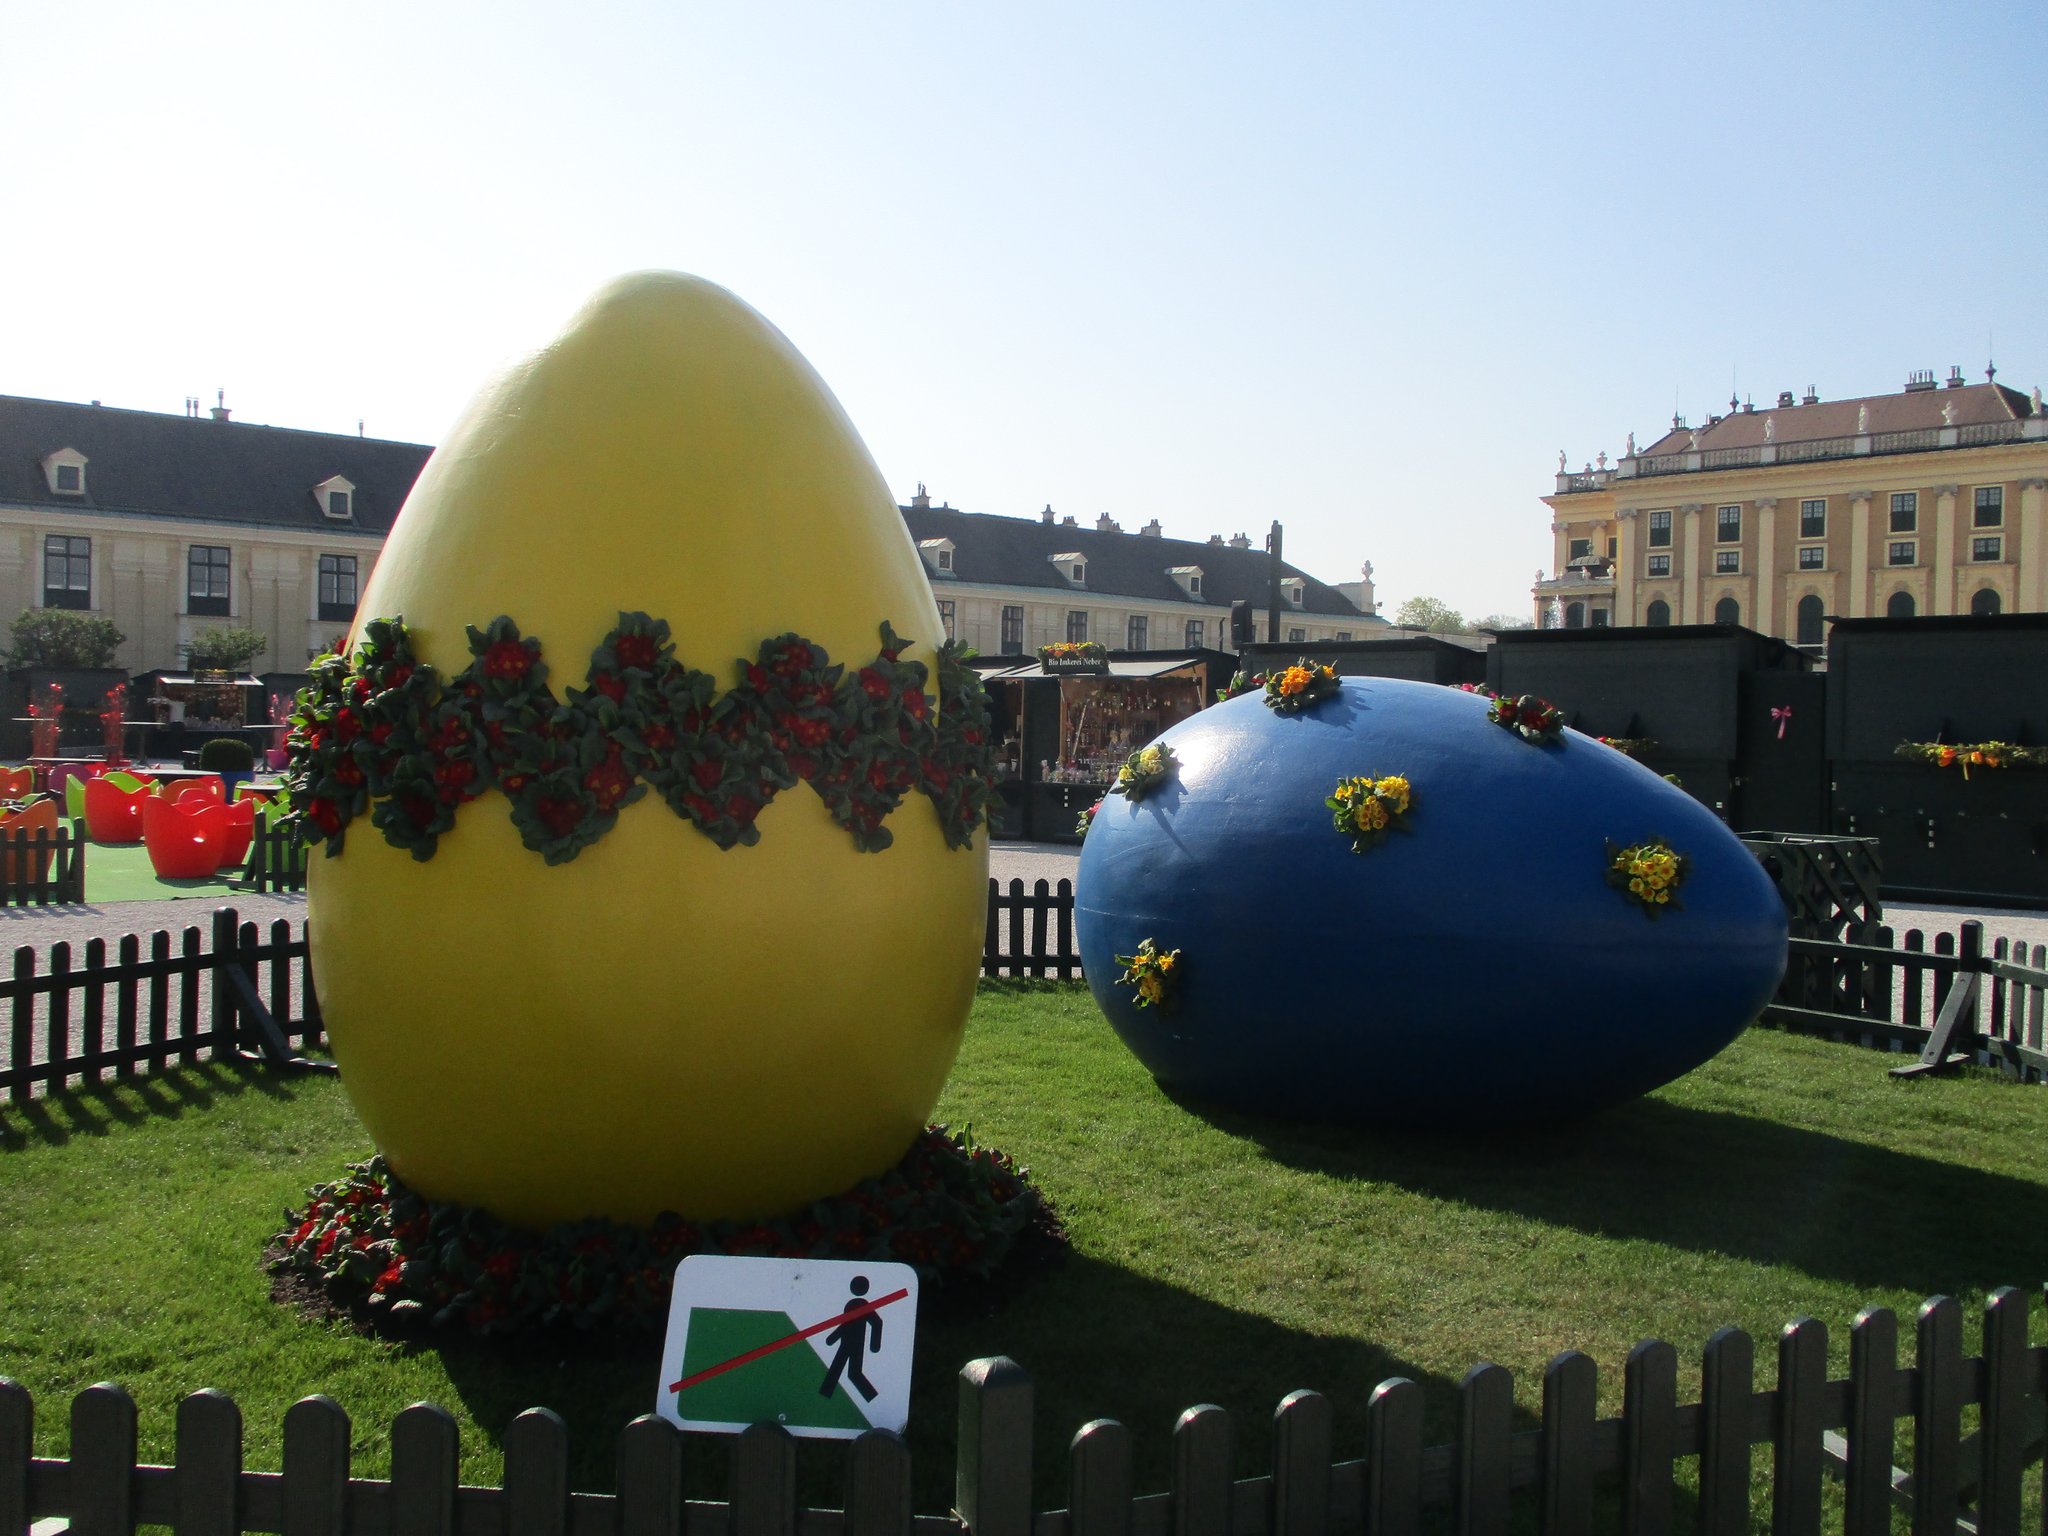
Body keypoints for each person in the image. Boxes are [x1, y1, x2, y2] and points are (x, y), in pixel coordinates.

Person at [819, 1275, 881, 1402]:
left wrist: (874, 1345)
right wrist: (833, 1337)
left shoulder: (860, 1304)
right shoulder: (853, 1304)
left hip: (856, 1343)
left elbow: (876, 1322)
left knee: (852, 1373)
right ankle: (824, 1396)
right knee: (840, 1370)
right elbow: (847, 1323)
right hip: (847, 1342)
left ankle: (872, 1397)